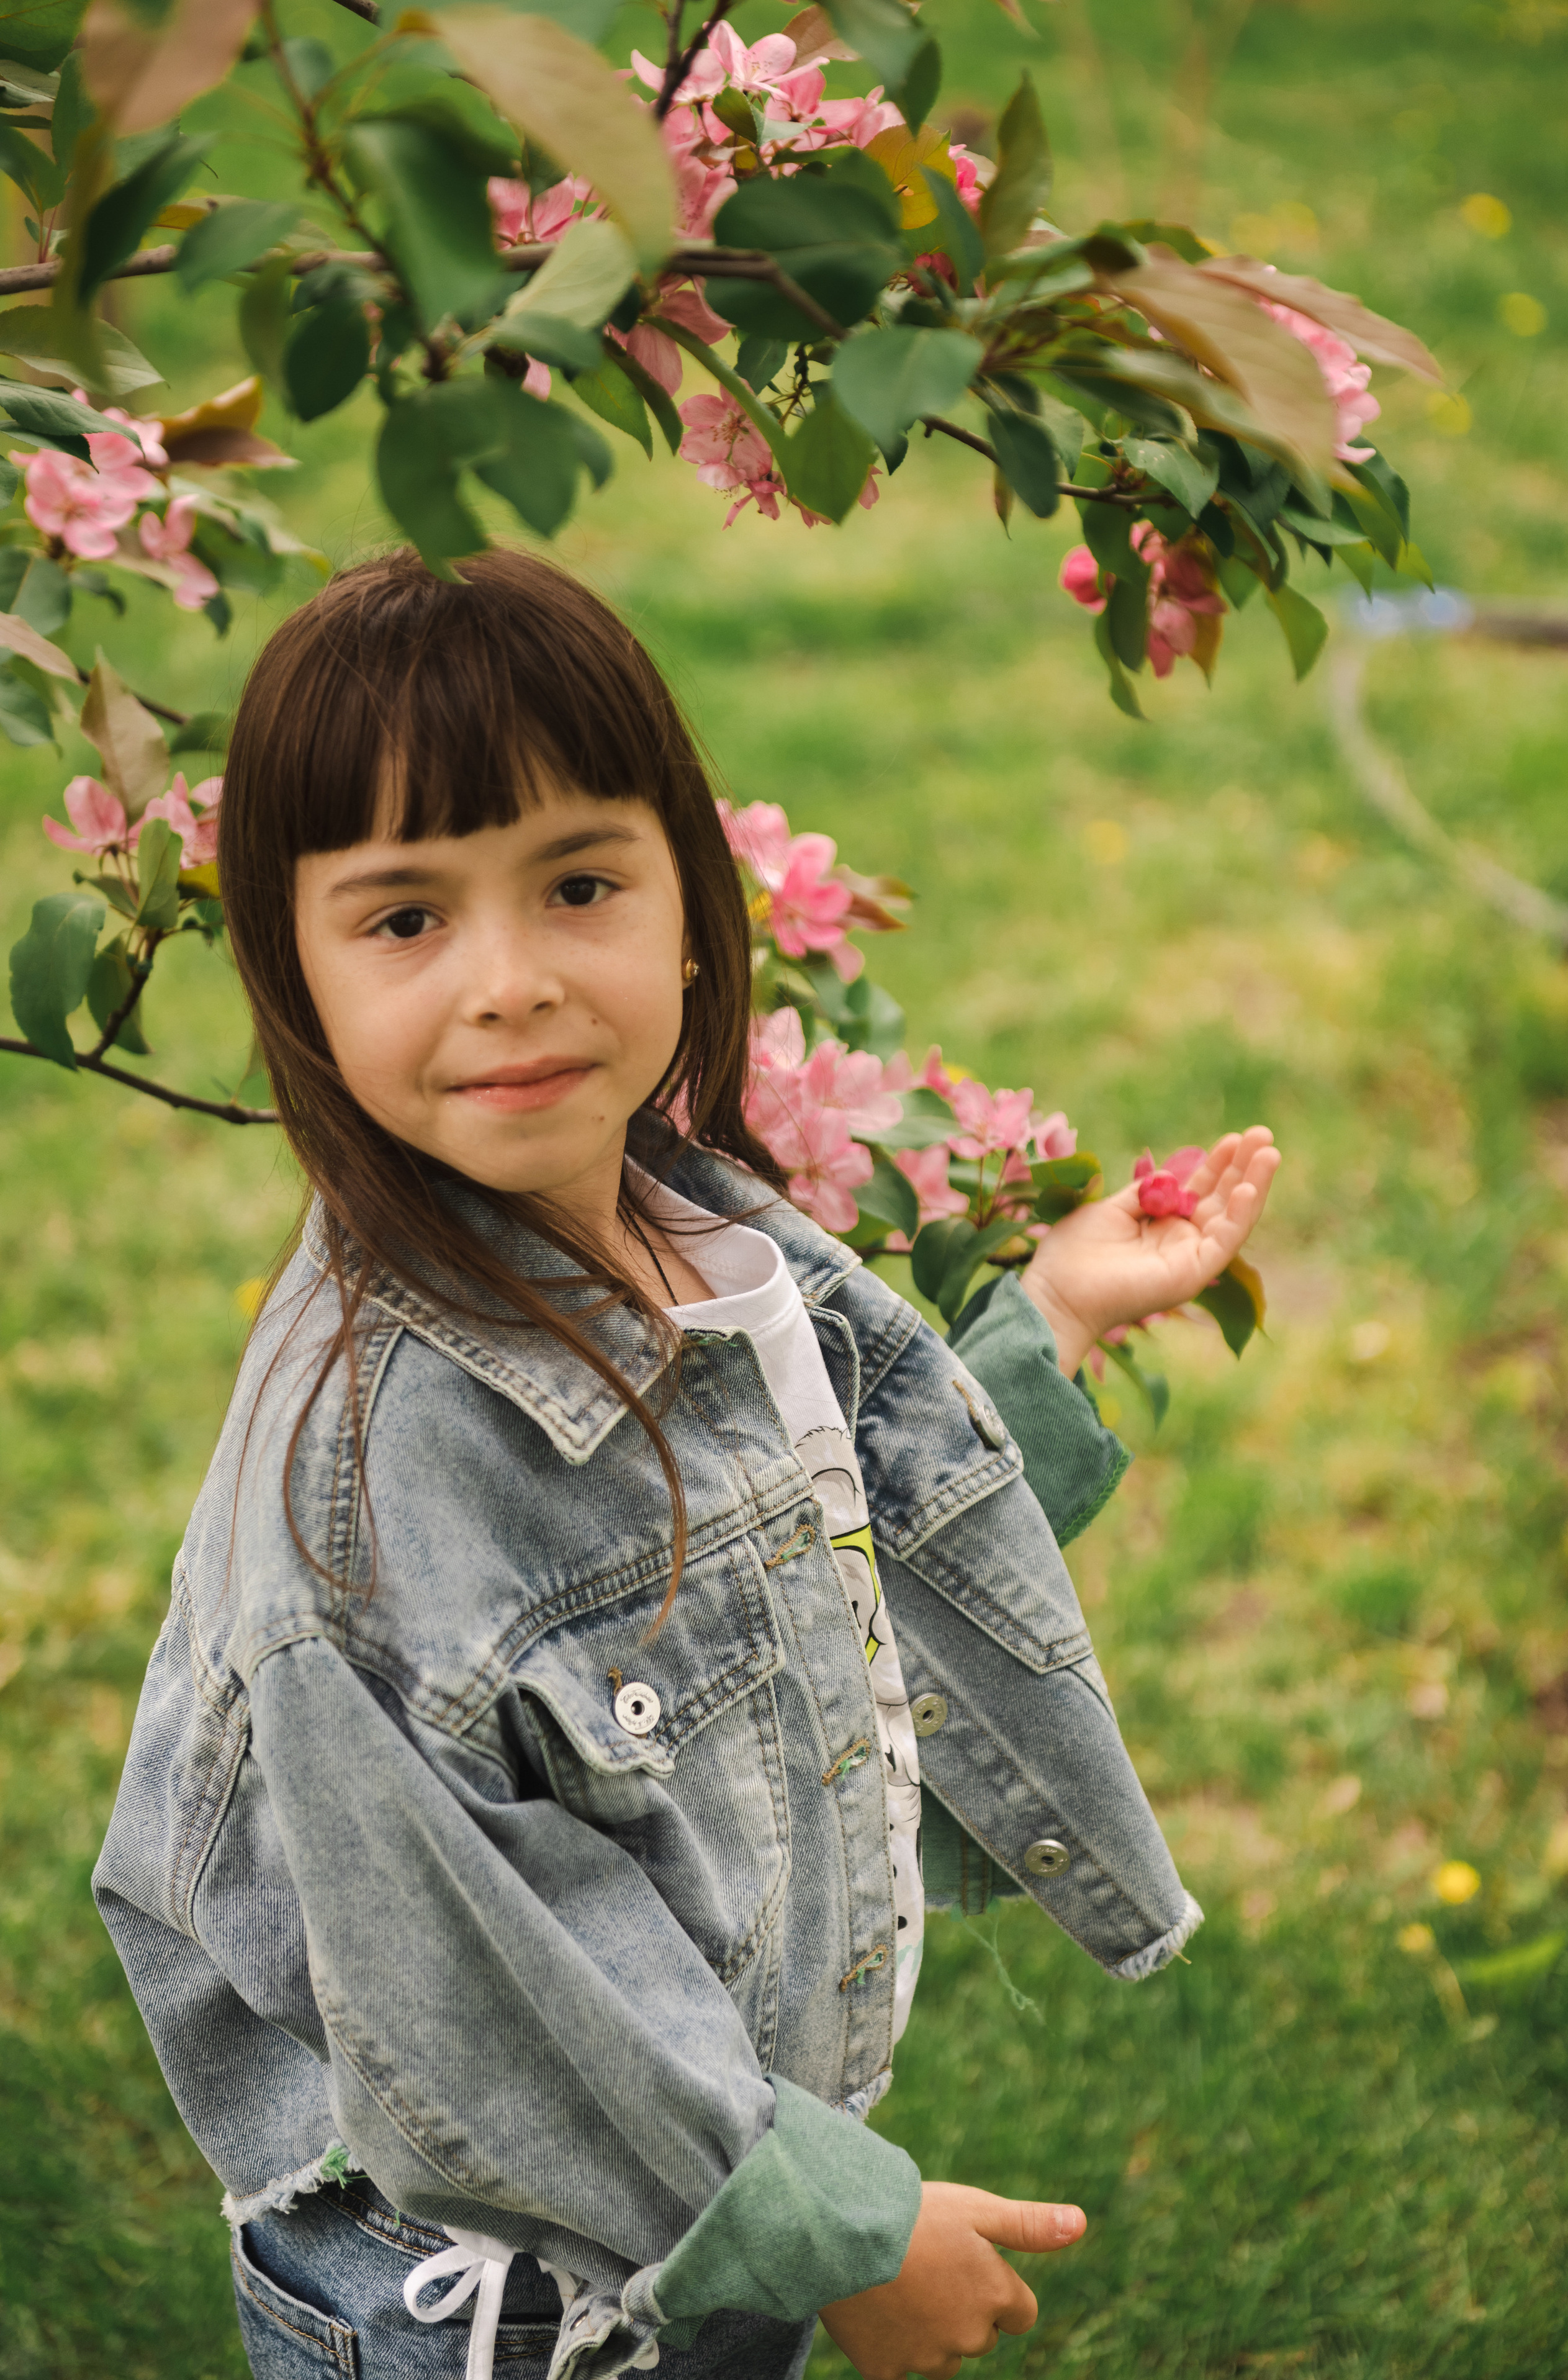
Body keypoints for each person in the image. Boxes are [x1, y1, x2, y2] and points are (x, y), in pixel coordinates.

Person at [94, 549, 1280, 2380]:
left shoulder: (677, 1218)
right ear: (294, 969)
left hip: (680, 2200)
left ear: (691, 907)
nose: (511, 984)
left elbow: (802, 1544)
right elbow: (492, 1994)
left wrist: (1051, 1322)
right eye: (405, 918)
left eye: (578, 883)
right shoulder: (368, 1507)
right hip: (507, 2296)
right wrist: (842, 2231)